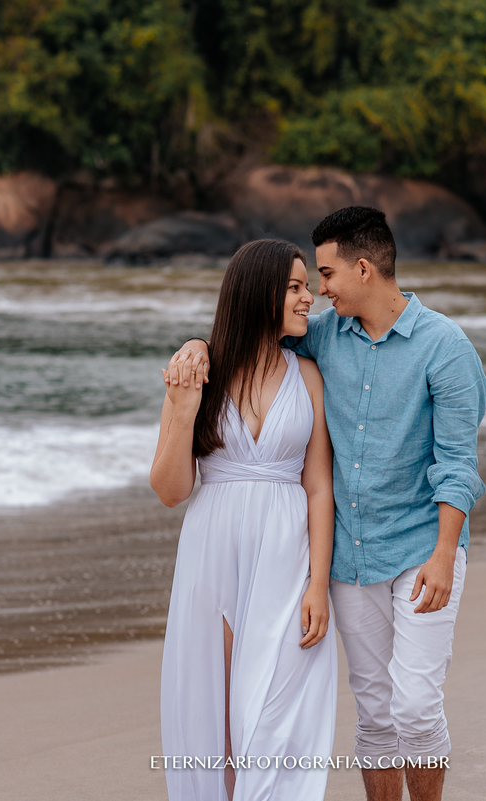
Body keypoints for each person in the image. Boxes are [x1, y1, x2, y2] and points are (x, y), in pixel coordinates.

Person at [169, 207, 486, 801]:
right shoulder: (322, 335)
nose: (317, 292)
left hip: (422, 545)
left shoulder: (445, 348)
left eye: (325, 275)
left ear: (363, 269)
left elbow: (457, 464)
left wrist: (447, 552)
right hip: (350, 555)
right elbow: (253, 332)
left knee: (416, 705)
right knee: (374, 708)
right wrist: (195, 346)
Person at [151, 238, 338, 801]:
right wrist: (184, 412)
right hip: (213, 549)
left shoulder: (307, 376)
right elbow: (169, 490)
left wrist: (319, 584)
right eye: (295, 287)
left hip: (287, 553)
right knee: (216, 717)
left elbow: (319, 485)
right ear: (259, 293)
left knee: (274, 713)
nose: (309, 299)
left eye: (309, 286)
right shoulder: (196, 372)